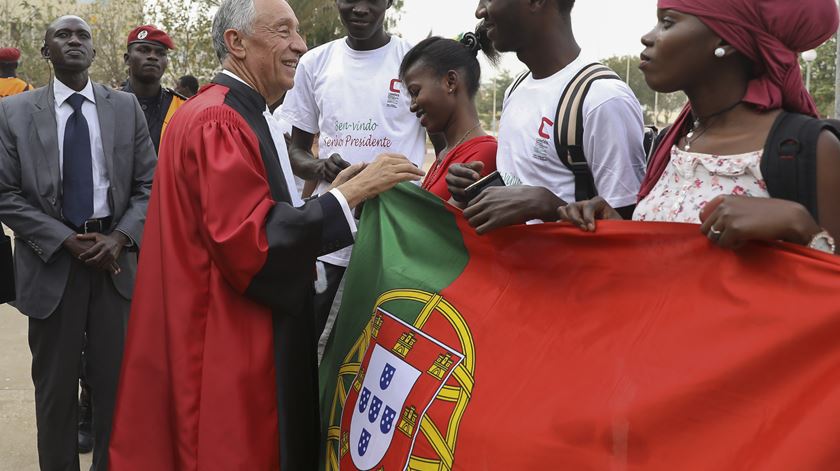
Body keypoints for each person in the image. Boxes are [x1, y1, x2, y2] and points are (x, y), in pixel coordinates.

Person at [107, 0, 424, 469]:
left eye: (297, 31)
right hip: (223, 331)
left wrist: (331, 192)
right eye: (283, 32)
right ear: (236, 43)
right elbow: (250, 240)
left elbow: (257, 209)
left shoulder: (231, 111)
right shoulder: (221, 120)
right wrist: (350, 196)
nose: (300, 44)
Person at [558, 0, 840, 256]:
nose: (647, 37)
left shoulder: (808, 148)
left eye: (667, 22)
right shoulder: (672, 142)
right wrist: (617, 228)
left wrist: (799, 226)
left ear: (725, 41)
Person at [0, 15, 156, 471]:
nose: (74, 41)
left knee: (114, 390)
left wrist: (120, 237)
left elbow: (151, 184)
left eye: (82, 35)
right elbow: (5, 193)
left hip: (114, 263)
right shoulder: (14, 112)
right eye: (62, 36)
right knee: (55, 393)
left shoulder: (124, 108)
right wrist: (66, 239)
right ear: (46, 52)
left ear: (93, 49)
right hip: (52, 264)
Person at [280, 0, 426, 349]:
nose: (359, 8)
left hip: (395, 229)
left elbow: (445, 138)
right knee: (306, 334)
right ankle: (305, 403)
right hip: (331, 226)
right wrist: (319, 166)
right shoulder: (315, 63)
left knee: (383, 340)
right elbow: (295, 150)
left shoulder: (415, 62)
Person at [446, 0, 646, 234]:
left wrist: (548, 206)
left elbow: (628, 233)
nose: (480, 11)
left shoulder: (602, 98)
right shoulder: (516, 89)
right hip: (509, 267)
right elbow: (519, 185)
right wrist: (475, 187)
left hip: (569, 270)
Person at [400, 30, 499, 200]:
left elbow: (439, 224)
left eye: (416, 92)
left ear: (450, 82)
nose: (413, 105)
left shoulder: (485, 154)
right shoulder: (446, 153)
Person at [121, 25, 187, 154]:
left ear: (166, 62)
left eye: (160, 53)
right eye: (144, 50)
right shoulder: (108, 103)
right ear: (127, 59)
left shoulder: (182, 108)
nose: (153, 57)